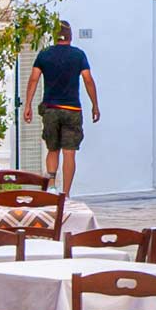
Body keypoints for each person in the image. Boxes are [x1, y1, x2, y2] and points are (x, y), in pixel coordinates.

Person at [23, 22, 99, 194]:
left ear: (54, 35)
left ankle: (51, 187)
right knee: (69, 152)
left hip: (50, 108)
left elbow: (34, 79)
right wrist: (95, 105)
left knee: (52, 149)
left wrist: (28, 104)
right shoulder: (78, 55)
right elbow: (88, 79)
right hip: (72, 109)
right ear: (70, 36)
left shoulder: (44, 55)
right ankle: (66, 193)